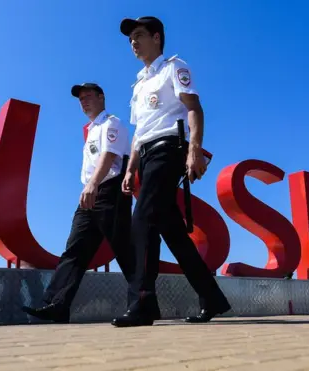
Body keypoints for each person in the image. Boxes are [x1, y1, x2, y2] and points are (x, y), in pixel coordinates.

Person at [111, 16, 231, 327]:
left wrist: (194, 150)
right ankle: (212, 298)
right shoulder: (138, 84)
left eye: (138, 35)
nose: (133, 42)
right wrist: (130, 170)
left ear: (156, 37)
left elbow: (194, 107)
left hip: (169, 148)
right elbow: (139, 132)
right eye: (130, 39)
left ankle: (142, 303)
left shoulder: (174, 67)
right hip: (148, 154)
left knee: (142, 221)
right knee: (174, 234)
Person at [22, 82, 135, 323]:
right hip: (90, 193)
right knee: (75, 249)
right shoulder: (91, 129)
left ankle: (143, 302)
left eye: (88, 96)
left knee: (124, 249)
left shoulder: (111, 123)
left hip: (109, 191)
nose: (83, 101)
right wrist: (89, 187)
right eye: (80, 99)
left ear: (101, 97)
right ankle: (57, 305)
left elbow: (110, 156)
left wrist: (93, 184)